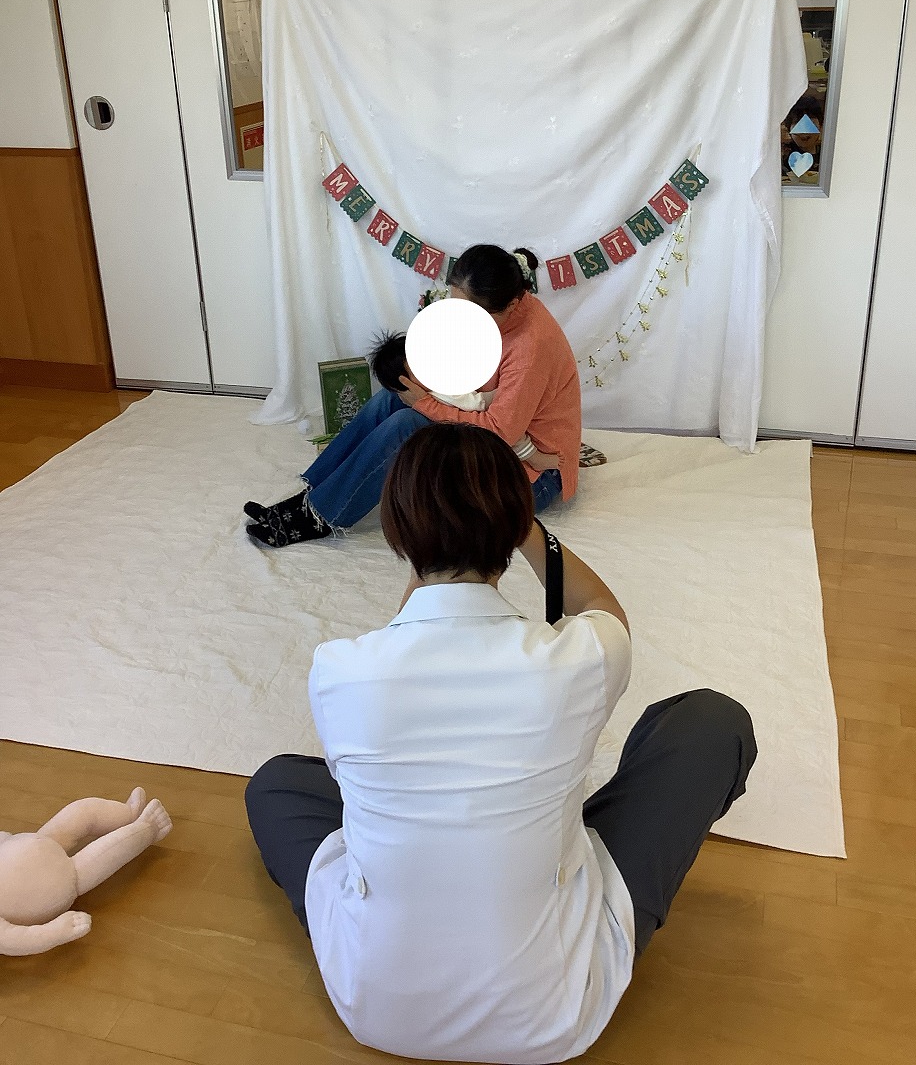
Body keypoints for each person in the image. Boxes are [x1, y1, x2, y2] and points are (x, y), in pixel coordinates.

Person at [245, 424, 758, 1064]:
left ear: (398, 534)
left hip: (375, 1007)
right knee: (710, 722)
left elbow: (405, 647)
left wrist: (436, 545)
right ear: (514, 528)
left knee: (277, 782)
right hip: (552, 1016)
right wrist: (524, 528)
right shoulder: (583, 657)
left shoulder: (338, 670)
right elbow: (601, 605)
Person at [244, 243, 580, 547]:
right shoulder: (495, 311)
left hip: (530, 475)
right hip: (498, 430)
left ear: (512, 304)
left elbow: (499, 432)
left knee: (407, 423)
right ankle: (315, 491)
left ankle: (322, 515)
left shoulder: (530, 348)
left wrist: (424, 402)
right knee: (393, 395)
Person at [369, 328, 561, 473]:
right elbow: (476, 404)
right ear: (406, 383)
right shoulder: (440, 393)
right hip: (476, 429)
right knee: (512, 430)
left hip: (473, 425)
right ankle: (534, 458)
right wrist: (506, 392)